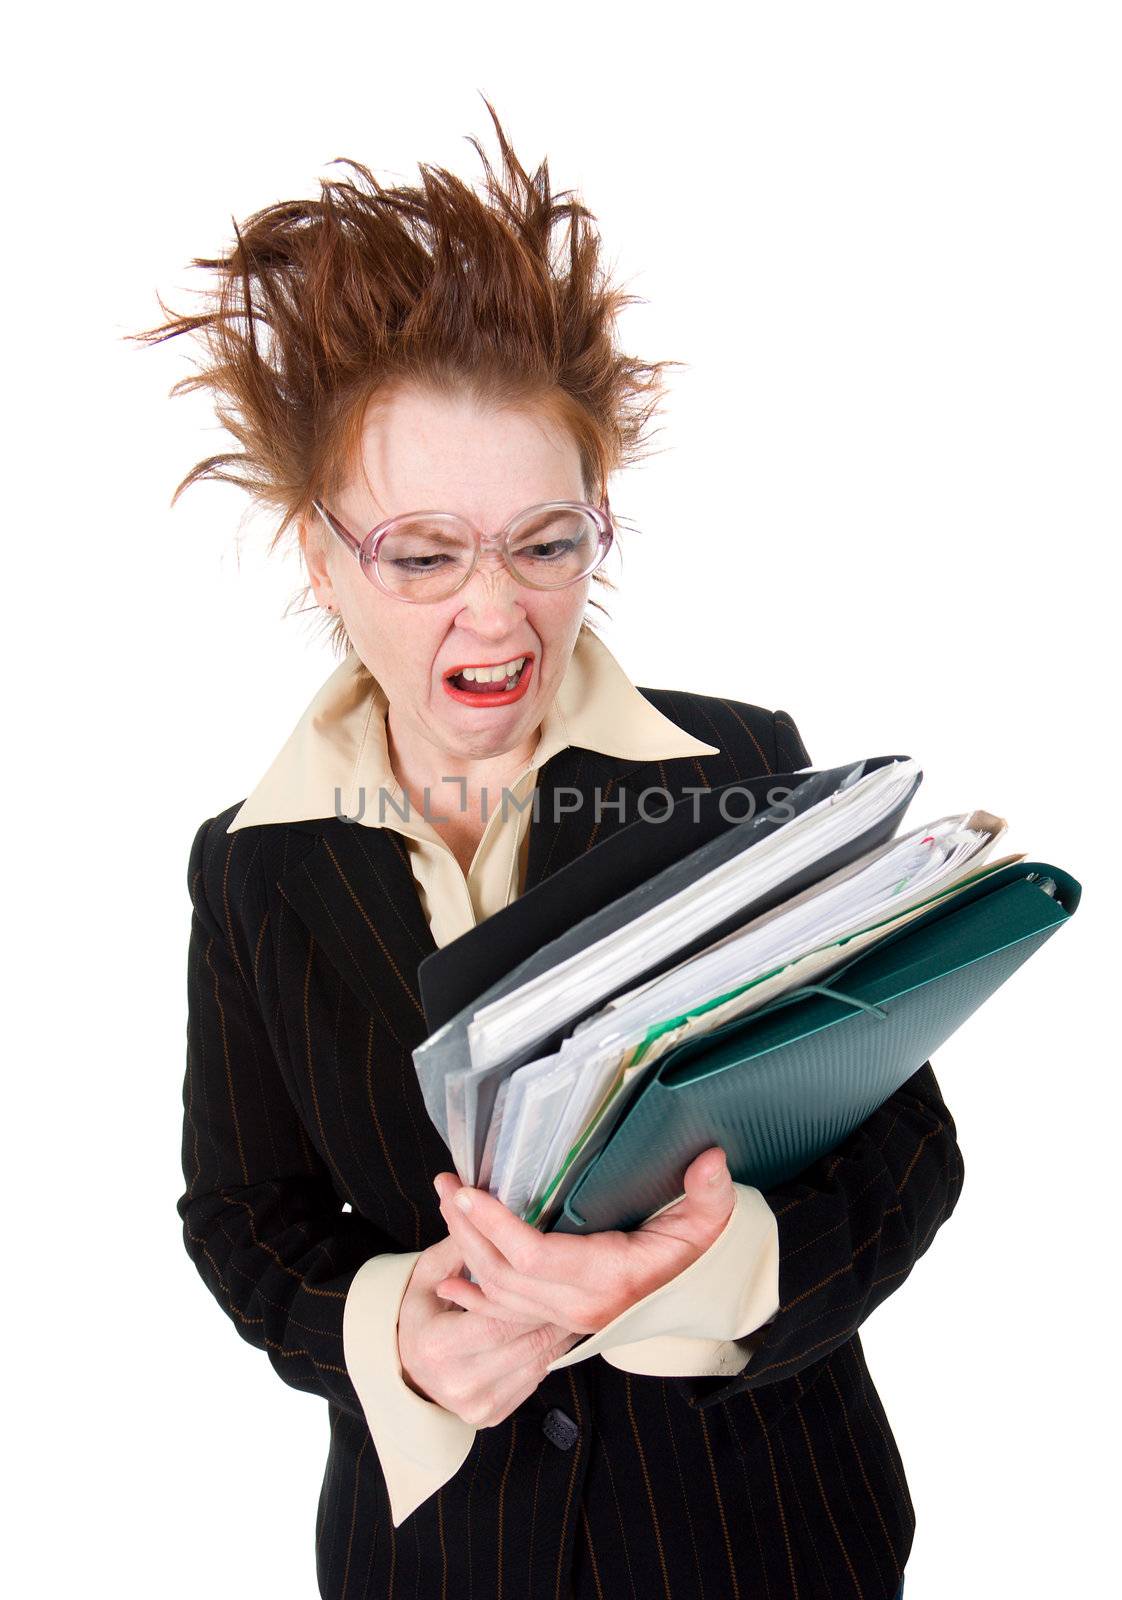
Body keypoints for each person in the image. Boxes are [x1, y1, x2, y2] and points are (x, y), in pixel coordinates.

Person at [140, 99, 949, 1599]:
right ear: (321, 554)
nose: (495, 614)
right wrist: (399, 1330)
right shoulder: (249, 867)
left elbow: (902, 1156)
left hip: (772, 1538)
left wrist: (694, 1274)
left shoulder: (737, 773)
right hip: (448, 1561)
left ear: (599, 526)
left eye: (545, 542)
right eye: (424, 553)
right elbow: (241, 1223)